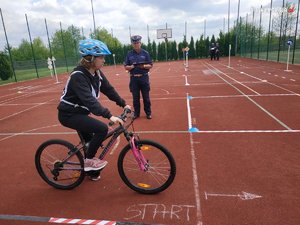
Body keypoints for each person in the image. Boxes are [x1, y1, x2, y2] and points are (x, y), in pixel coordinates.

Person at [57, 39, 131, 180]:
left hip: (80, 113)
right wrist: (109, 116)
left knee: (90, 143)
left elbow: (108, 89)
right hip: (69, 115)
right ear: (90, 58)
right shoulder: (78, 76)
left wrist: (123, 103)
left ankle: (89, 169)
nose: (104, 60)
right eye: (101, 57)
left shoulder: (97, 73)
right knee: (102, 129)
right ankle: (89, 162)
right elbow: (90, 101)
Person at [124, 35, 153, 119]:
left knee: (146, 98)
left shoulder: (145, 53)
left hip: (144, 78)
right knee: (135, 98)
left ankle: (148, 113)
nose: (136, 44)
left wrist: (143, 66)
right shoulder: (129, 54)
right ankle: (136, 114)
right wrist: (131, 67)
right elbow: (126, 66)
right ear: (132, 44)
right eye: (134, 43)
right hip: (134, 79)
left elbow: (150, 65)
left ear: (140, 43)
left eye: (137, 42)